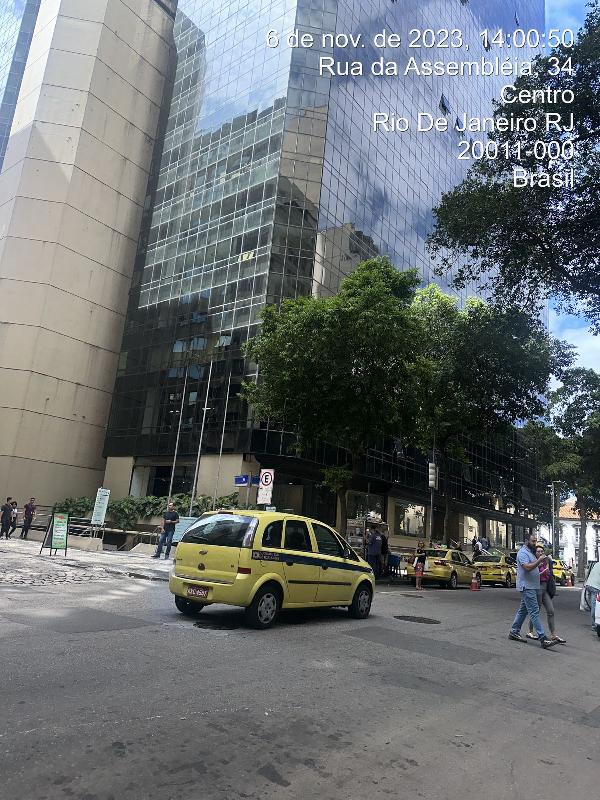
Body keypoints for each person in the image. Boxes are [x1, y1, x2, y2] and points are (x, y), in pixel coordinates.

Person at [508, 532, 558, 649]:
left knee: (523, 610)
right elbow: (527, 567)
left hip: (533, 586)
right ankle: (543, 638)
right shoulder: (522, 553)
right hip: (527, 586)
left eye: (535, 541)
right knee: (534, 611)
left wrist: (543, 561)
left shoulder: (530, 552)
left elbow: (535, 565)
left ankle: (514, 631)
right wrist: (539, 560)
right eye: (533, 541)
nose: (535, 543)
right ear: (526, 541)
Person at [527, 546, 565, 643]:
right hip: (538, 586)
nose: (540, 553)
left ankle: (553, 634)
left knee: (551, 610)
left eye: (541, 551)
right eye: (538, 551)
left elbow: (550, 575)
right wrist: (542, 571)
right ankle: (530, 631)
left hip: (545, 588)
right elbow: (532, 575)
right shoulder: (534, 562)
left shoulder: (547, 561)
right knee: (536, 610)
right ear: (535, 553)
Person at [585, 560, 600, 631]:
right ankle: (595, 625)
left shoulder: (597, 564)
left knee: (594, 604)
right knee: (596, 606)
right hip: (596, 587)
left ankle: (594, 624)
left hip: (589, 584)